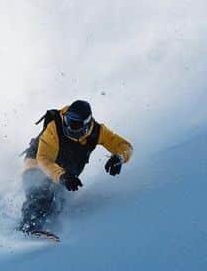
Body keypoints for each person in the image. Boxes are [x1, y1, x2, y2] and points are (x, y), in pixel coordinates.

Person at [19, 99, 132, 238]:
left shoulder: (97, 131)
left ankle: (41, 228)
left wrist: (119, 158)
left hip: (64, 175)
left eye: (75, 124)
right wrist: (62, 176)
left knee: (58, 202)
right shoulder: (55, 127)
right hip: (37, 165)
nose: (69, 127)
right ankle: (27, 229)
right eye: (67, 121)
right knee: (41, 192)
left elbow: (124, 146)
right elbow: (43, 159)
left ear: (86, 124)